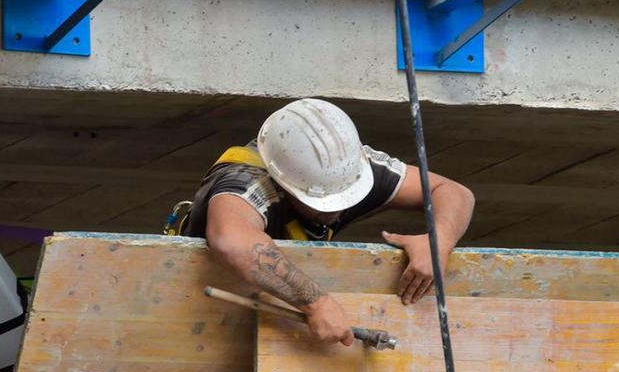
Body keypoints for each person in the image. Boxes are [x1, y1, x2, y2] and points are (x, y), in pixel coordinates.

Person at [169, 98, 475, 346]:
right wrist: (315, 302)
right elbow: (231, 241)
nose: (336, 212)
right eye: (323, 203)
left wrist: (439, 240)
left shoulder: (351, 168)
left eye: (346, 197)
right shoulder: (246, 181)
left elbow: (454, 192)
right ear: (285, 183)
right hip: (196, 324)